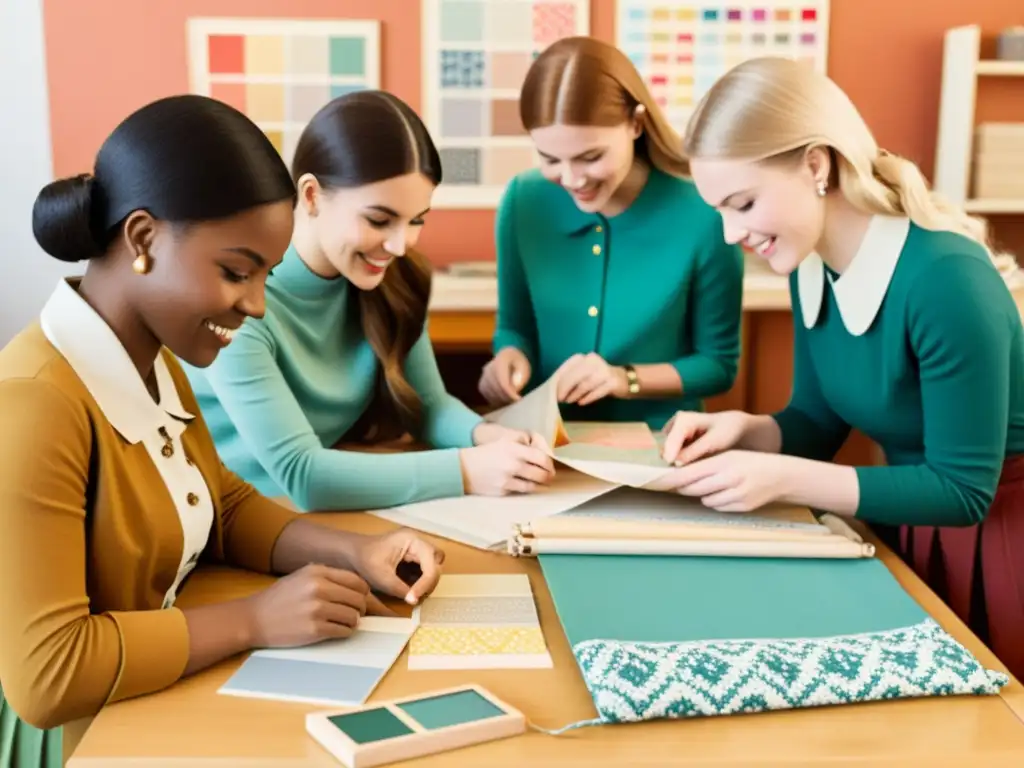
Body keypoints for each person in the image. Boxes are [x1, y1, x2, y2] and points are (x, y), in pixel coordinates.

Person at [0, 95, 447, 759]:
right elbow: (48, 674)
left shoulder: (154, 358)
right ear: (144, 239)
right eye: (236, 272)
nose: (258, 304)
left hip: (156, 697)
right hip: (78, 738)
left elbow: (220, 504)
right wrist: (253, 620)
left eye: (265, 275)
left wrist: (355, 552)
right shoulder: (36, 405)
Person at [652, 57, 1024, 680]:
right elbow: (816, 421)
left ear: (816, 165)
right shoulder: (810, 264)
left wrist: (781, 478)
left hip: (998, 551)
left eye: (742, 203)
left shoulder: (946, 280)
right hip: (908, 529)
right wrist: (749, 431)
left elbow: (963, 492)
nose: (729, 233)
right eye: (719, 209)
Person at [184, 90, 554, 513]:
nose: (401, 244)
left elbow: (427, 406)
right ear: (310, 196)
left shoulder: (394, 279)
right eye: (379, 220)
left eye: (416, 220)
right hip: (229, 522)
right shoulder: (238, 301)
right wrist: (469, 470)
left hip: (319, 518)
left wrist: (486, 436)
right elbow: (303, 474)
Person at [477, 36, 745, 431]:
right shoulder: (523, 200)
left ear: (636, 124)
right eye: (550, 159)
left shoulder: (704, 213)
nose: (571, 179)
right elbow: (514, 326)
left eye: (591, 157)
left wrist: (623, 379)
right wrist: (508, 357)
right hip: (544, 439)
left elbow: (717, 365)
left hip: (658, 440)